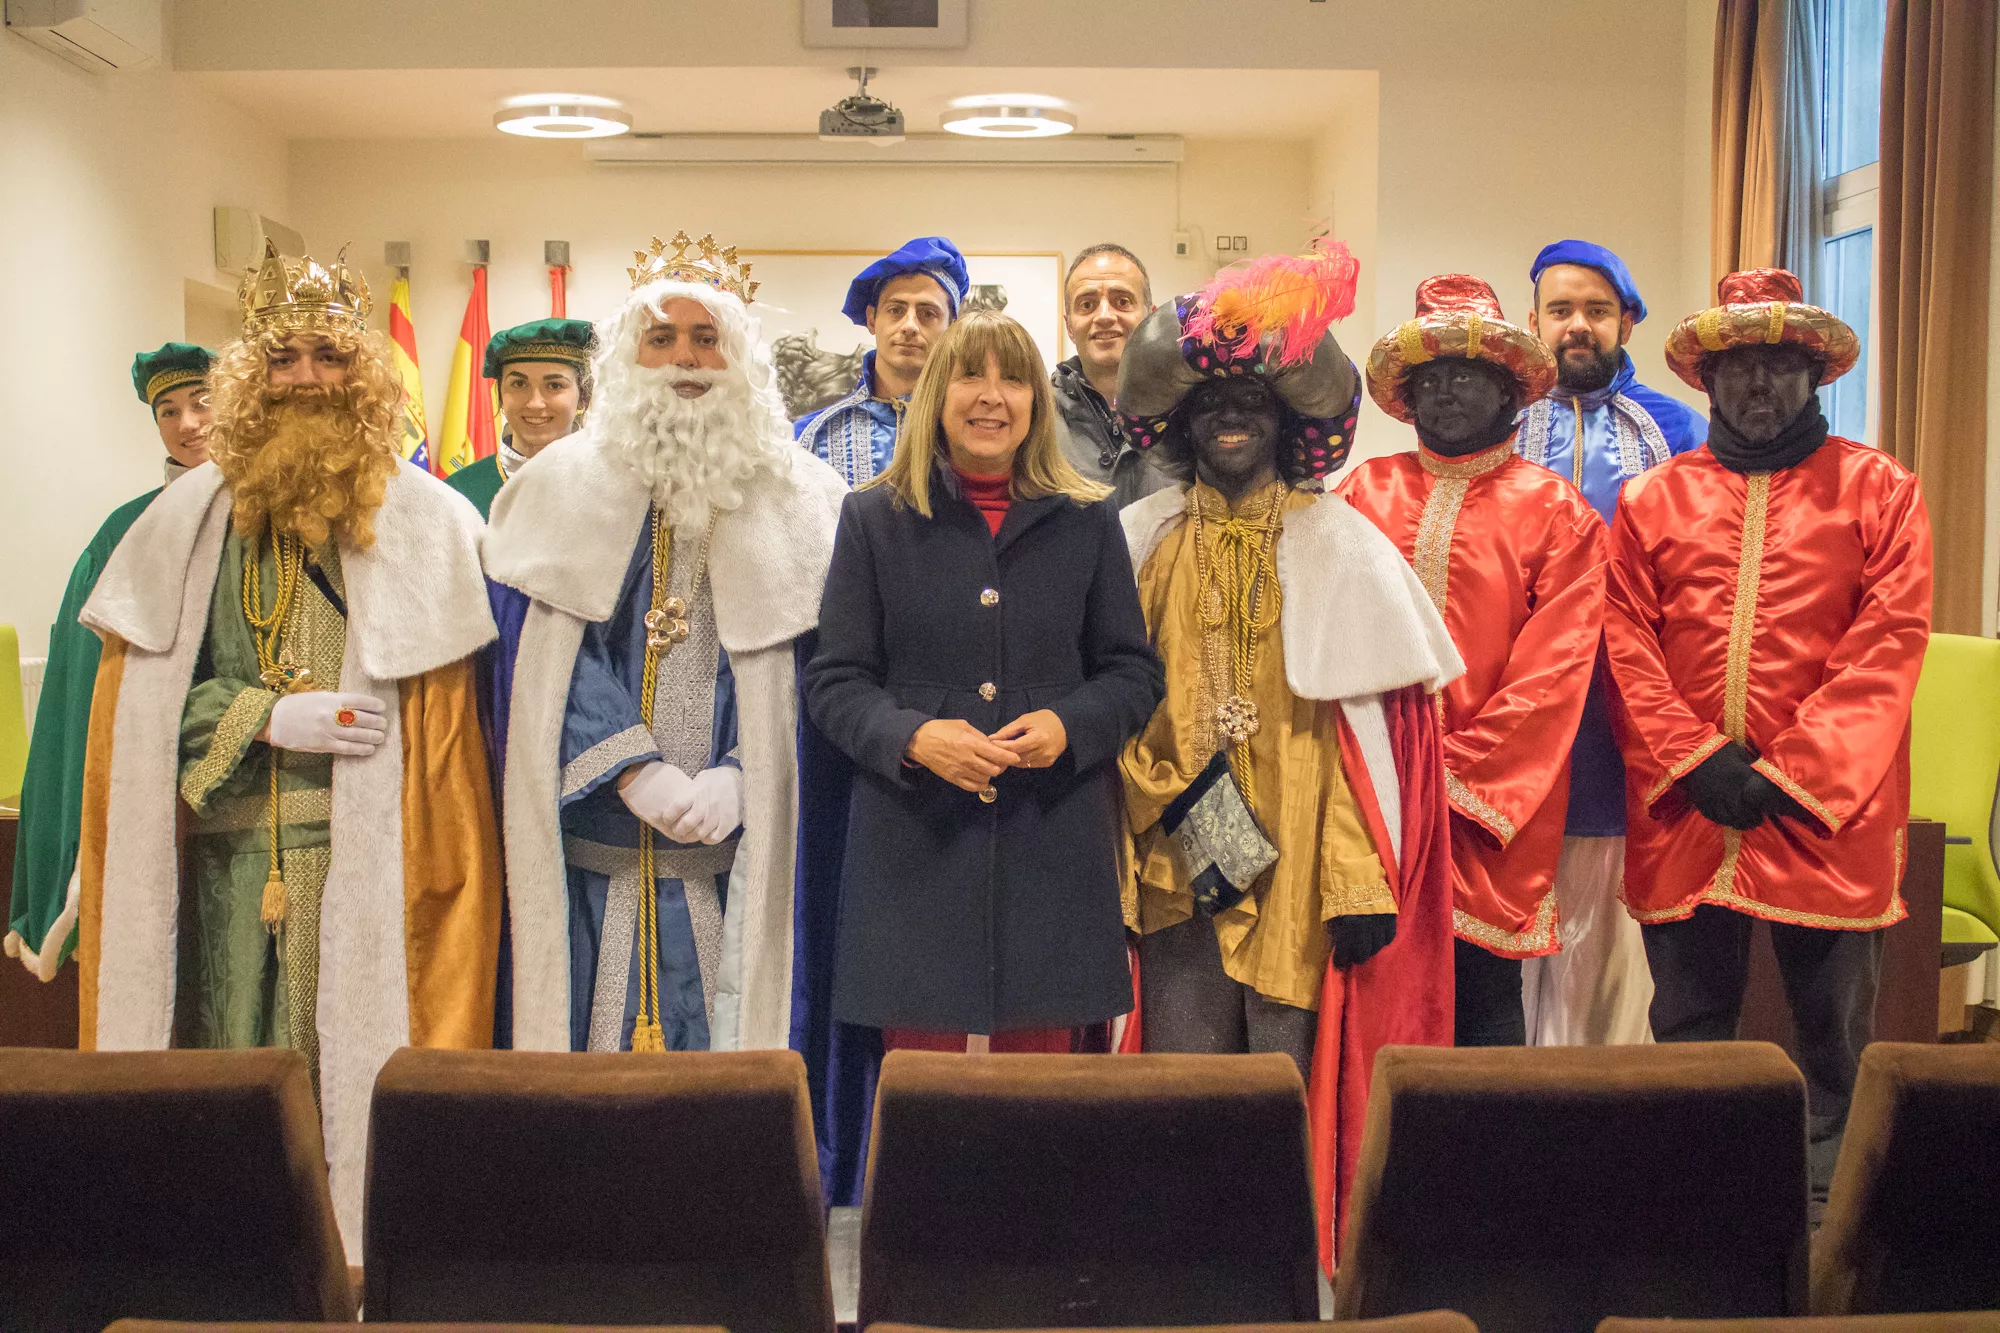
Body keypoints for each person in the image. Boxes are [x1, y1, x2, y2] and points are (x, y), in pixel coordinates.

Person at [75, 246, 504, 1250]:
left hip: (365, 869)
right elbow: (136, 719)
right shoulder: (181, 522)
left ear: (364, 377)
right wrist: (261, 716)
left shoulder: (433, 523)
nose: (306, 377)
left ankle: (349, 1264)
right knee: (220, 1077)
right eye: (283, 358)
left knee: (340, 1076)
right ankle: (226, 1267)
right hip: (218, 872)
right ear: (248, 377)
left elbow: (451, 753)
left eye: (327, 356)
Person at [1114, 240, 1461, 1262]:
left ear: (1288, 424)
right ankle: (1184, 1271)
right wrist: (1191, 820)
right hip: (1177, 866)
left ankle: (1270, 1271)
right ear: (1180, 423)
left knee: (1284, 1086)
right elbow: (1113, 712)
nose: (1232, 417)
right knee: (1185, 1086)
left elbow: (1373, 744)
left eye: (1255, 403)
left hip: (1305, 874)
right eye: (1214, 401)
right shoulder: (1135, 539)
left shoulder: (1344, 545)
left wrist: (1356, 875)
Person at [1607, 267, 1932, 1204]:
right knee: (1691, 1024)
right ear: (1706, 379)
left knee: (1834, 1036)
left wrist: (1793, 771)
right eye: (1739, 365)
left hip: (1826, 813)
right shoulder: (1651, 501)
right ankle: (1696, 1210)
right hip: (1687, 804)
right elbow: (1623, 639)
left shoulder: (1882, 490)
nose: (1758, 385)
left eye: (1779, 365)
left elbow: (1890, 641)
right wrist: (1695, 755)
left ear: (1813, 374)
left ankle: (1836, 1224)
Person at [483, 231, 846, 1056]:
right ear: (629, 359)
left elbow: (832, 671)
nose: (685, 358)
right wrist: (632, 768)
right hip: (592, 868)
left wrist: (744, 775)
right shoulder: (553, 488)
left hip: (736, 870)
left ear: (738, 358)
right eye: (662, 337)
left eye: (706, 337)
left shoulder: (811, 499)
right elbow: (537, 659)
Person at [806, 306, 1162, 1055]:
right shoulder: (873, 518)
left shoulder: (1087, 521)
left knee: (1043, 1112)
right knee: (921, 1112)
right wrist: (912, 736)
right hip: (915, 847)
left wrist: (1071, 725)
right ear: (938, 392)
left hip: (1051, 843)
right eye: (971, 374)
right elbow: (836, 681)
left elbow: (1131, 672)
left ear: (1036, 401)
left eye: (1013, 379)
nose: (991, 396)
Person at [1341, 274, 1606, 1047]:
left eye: (1468, 375)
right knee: (1370, 997)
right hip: (1370, 805)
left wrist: (1446, 780)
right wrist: (1381, 779)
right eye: (1432, 378)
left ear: (1507, 392)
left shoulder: (1558, 513)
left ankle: (1489, 1170)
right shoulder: (1362, 493)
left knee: (1484, 1003)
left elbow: (1552, 678)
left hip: (1492, 819)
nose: (1447, 392)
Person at [1514, 239, 1705, 1047]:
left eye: (1596, 310)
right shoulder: (1502, 426)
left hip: (1637, 708)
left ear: (1627, 319)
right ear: (1533, 322)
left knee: (1627, 947)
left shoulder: (1682, 428)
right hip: (1524, 716)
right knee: (1524, 926)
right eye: (1561, 311)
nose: (1578, 327)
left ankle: (1615, 1119)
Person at [7, 343, 213, 981]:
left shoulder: (283, 514)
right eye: (168, 411)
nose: (187, 424)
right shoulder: (125, 531)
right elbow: (82, 686)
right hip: (154, 781)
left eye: (203, 402)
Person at [795, 235, 969, 486]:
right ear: (872, 319)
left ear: (951, 327)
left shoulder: (972, 430)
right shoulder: (813, 436)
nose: (909, 325)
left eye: (927, 313)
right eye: (896, 310)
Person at [1052, 242, 1171, 508]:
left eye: (1122, 301)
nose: (1104, 316)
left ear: (1150, 318)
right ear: (1070, 326)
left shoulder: (1188, 411)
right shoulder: (1036, 418)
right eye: (1087, 304)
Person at [446, 317, 595, 519]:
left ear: (583, 396)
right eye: (518, 384)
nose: (535, 403)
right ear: (499, 395)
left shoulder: (609, 488)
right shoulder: (458, 493)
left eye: (555, 385)